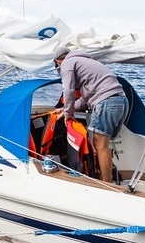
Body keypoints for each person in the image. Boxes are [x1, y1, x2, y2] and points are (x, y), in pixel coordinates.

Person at [54, 49, 129, 183]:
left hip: (106, 102)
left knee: (100, 145)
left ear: (58, 61)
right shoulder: (88, 62)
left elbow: (68, 90)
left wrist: (68, 114)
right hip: (121, 101)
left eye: (57, 66)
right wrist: (63, 110)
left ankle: (106, 185)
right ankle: (107, 178)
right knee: (104, 144)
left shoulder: (67, 63)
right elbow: (86, 98)